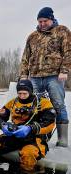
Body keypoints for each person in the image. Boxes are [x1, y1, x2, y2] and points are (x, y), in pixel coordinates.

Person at [19, 7, 71, 147]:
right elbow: (25, 57)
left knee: (58, 105)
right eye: (40, 21)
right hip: (35, 76)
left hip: (54, 76)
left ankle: (62, 139)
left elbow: (68, 52)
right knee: (33, 105)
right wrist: (24, 75)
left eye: (45, 21)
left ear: (51, 19)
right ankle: (34, 134)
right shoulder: (32, 36)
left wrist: (64, 70)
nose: (42, 24)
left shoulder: (62, 31)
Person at [0, 80, 56, 171]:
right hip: (14, 134)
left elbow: (50, 122)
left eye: (24, 93)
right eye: (19, 93)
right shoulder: (13, 103)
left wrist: (31, 128)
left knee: (28, 155)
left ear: (30, 91)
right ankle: (6, 171)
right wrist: (3, 125)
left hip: (34, 136)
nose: (22, 96)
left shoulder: (43, 103)